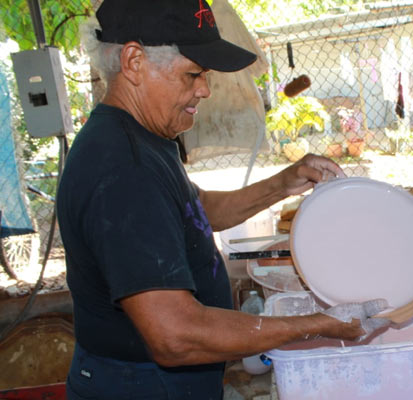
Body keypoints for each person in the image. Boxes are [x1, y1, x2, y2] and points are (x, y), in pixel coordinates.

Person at [56, 0, 390, 399]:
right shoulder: (122, 169)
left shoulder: (145, 137)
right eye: (193, 74)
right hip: (139, 385)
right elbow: (175, 336)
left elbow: (197, 212)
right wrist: (320, 323)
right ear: (133, 62)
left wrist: (284, 182)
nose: (205, 89)